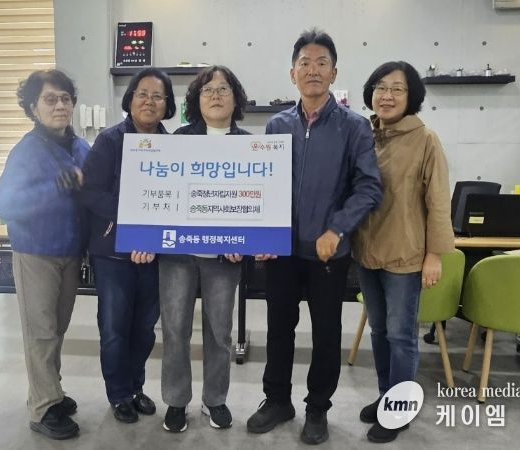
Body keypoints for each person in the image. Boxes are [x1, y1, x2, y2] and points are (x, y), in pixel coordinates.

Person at [246, 29, 383, 445]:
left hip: (329, 251)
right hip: (283, 251)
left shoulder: (354, 127)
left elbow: (369, 187)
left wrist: (337, 228)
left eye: (322, 63)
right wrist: (262, 235)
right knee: (278, 328)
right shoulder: (277, 124)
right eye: (304, 63)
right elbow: (266, 186)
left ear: (333, 73)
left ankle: (318, 407)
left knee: (325, 333)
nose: (313, 70)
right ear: (293, 74)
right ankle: (277, 400)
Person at [134, 65, 249, 433]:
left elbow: (255, 205)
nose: (215, 95)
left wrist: (245, 243)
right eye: (207, 90)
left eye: (223, 89)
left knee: (220, 332)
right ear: (196, 101)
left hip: (224, 258)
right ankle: (176, 400)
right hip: (177, 256)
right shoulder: (178, 140)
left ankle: (215, 399)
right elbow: (157, 194)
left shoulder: (249, 146)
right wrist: (145, 237)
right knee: (174, 329)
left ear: (236, 99)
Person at [353, 61, 454, 443]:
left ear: (412, 96)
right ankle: (386, 396)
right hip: (367, 253)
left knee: (401, 335)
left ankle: (399, 409)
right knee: (379, 331)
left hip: (405, 257)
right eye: (381, 87)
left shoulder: (425, 139)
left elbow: (438, 201)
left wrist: (434, 255)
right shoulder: (365, 135)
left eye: (397, 88)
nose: (387, 95)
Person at [0, 69, 89, 440]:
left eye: (65, 98)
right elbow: (6, 206)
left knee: (57, 328)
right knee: (41, 332)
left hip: (70, 252)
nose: (60, 105)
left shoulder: (80, 147)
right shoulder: (26, 152)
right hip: (36, 253)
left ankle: (52, 391)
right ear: (33, 108)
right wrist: (56, 186)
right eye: (50, 99)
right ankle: (42, 407)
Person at [80, 68, 176, 423]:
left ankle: (136, 387)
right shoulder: (109, 141)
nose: (149, 101)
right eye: (142, 94)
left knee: (144, 329)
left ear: (167, 104)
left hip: (155, 254)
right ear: (130, 98)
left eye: (157, 96)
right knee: (114, 329)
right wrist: (133, 219)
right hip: (113, 253)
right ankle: (118, 393)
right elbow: (91, 193)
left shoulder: (174, 146)